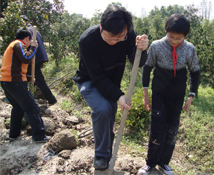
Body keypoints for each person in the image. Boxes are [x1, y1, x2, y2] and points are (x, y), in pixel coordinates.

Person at [73, 4, 149, 171]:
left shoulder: (127, 34)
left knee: (109, 118)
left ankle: (106, 157)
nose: (115, 42)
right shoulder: (87, 40)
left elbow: (139, 62)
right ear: (101, 27)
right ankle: (100, 155)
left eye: (119, 38)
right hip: (89, 81)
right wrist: (119, 95)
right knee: (103, 109)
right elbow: (97, 77)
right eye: (110, 37)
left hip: (111, 83)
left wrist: (142, 49)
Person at [138, 14, 200, 175]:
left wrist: (190, 96)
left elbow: (195, 72)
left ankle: (164, 163)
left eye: (179, 38)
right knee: (157, 130)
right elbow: (147, 68)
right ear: (166, 31)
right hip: (159, 94)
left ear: (185, 36)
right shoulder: (157, 46)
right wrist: (146, 94)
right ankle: (150, 163)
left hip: (177, 96)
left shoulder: (189, 49)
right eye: (171, 36)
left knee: (172, 130)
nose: (174, 40)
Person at [0, 27, 50, 143]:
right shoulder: (18, 44)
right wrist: (34, 47)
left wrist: (27, 77)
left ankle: (14, 134)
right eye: (29, 41)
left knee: (18, 108)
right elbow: (26, 58)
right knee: (32, 107)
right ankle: (39, 136)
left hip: (7, 81)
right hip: (15, 83)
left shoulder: (12, 45)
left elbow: (14, 67)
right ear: (27, 38)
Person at [20, 15, 57, 106]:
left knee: (37, 80)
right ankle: (37, 97)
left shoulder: (27, 31)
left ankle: (51, 99)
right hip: (37, 57)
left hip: (33, 58)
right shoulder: (33, 29)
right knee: (35, 79)